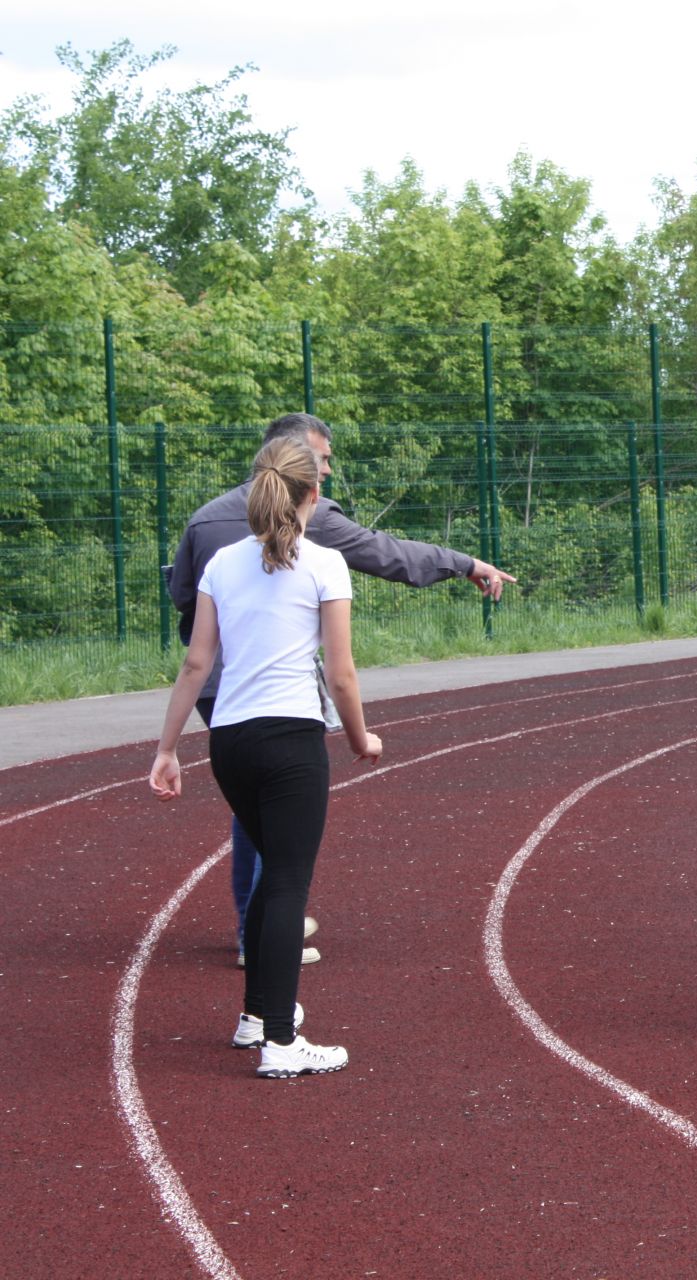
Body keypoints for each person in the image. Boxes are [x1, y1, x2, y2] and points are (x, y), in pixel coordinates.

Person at [169, 413, 514, 966]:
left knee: (251, 805)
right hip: (277, 688)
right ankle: (264, 937)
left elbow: (184, 597)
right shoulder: (312, 517)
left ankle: (248, 927)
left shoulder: (204, 519)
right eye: (323, 458)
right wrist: (465, 563)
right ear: (297, 463)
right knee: (282, 811)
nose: (329, 469)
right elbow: (387, 553)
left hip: (217, 684)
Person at [151, 437, 381, 1078]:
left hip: (230, 739)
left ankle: (257, 1017)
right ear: (313, 496)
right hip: (291, 740)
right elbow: (341, 676)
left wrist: (167, 749)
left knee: (268, 875)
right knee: (285, 882)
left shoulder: (222, 563)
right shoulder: (324, 565)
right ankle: (282, 1043)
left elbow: (198, 663)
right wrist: (362, 740)